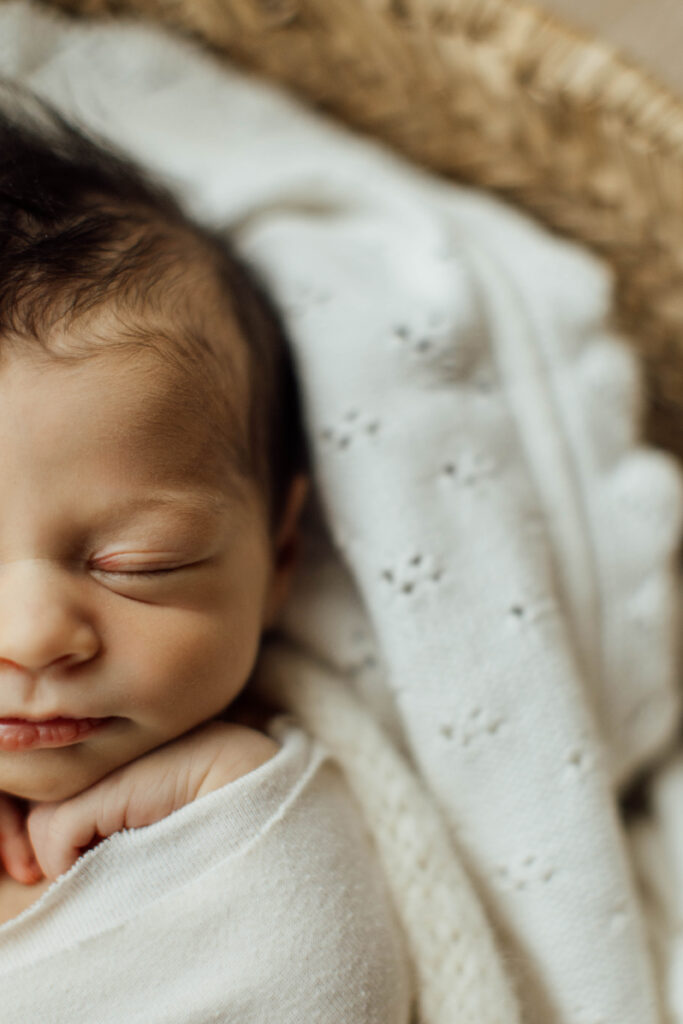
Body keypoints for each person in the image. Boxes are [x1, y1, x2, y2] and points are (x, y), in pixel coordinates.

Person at [0, 87, 413, 1022]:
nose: (31, 638)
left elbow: (327, 991)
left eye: (141, 563)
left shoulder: (263, 806)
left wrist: (237, 807)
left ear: (279, 554)